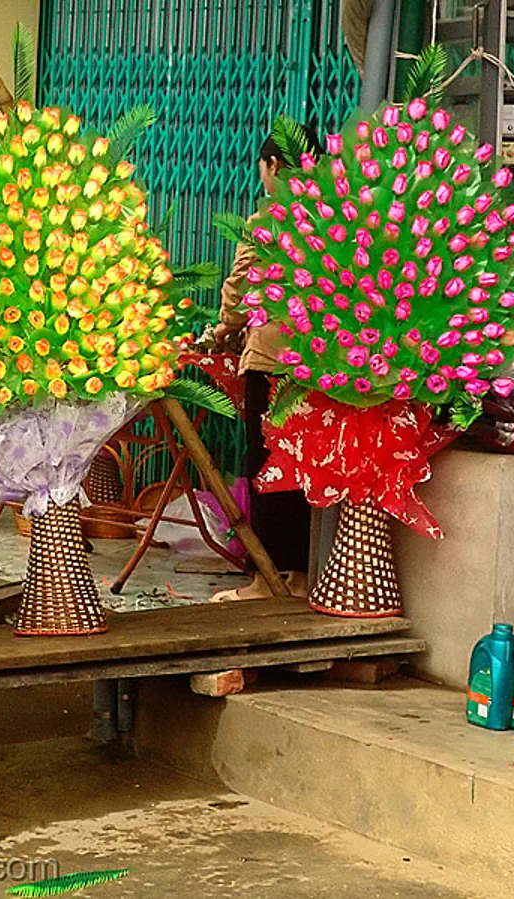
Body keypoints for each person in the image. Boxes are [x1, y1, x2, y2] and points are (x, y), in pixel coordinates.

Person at [210, 131, 314, 600]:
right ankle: (301, 575)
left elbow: (239, 293)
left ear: (272, 165)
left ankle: (265, 582)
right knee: (303, 469)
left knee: (266, 466)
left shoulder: (266, 222)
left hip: (271, 360)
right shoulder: (334, 217)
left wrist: (221, 332)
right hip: (317, 365)